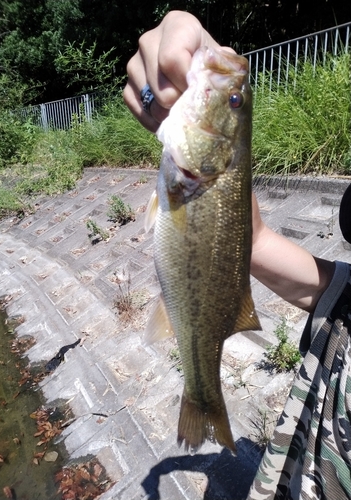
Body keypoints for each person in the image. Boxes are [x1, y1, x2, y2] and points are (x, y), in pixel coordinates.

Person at [123, 10, 351, 500]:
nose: (233, 94)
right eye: (234, 101)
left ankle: (201, 395)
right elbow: (251, 237)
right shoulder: (345, 300)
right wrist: (171, 105)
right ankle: (205, 396)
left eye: (232, 101)